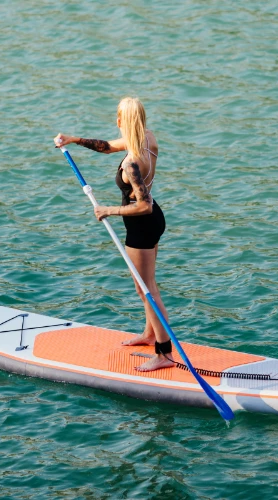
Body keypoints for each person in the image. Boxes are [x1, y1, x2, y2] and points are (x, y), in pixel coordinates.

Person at [53, 97, 174, 371]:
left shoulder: (132, 162)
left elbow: (143, 205)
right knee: (148, 286)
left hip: (142, 224)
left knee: (147, 291)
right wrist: (72, 139)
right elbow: (107, 147)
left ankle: (164, 353)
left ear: (120, 121)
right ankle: (149, 334)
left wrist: (108, 210)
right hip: (156, 220)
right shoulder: (147, 138)